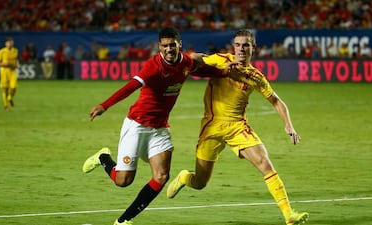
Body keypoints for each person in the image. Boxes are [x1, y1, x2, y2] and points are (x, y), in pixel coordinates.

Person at [81, 27, 225, 225]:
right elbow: (131, 86)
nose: (168, 49)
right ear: (159, 47)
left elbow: (199, 70)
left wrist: (225, 72)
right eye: (164, 46)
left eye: (172, 45)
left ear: (179, 44)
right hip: (137, 125)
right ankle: (103, 157)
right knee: (123, 181)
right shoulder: (153, 66)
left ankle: (123, 221)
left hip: (159, 128)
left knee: (161, 176)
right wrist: (104, 105)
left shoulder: (186, 61)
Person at [166, 29, 309, 225]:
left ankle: (289, 215)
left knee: (264, 163)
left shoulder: (255, 76)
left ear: (253, 47)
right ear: (234, 46)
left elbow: (277, 101)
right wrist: (198, 57)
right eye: (238, 45)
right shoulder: (220, 60)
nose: (241, 49)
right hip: (212, 127)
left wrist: (289, 125)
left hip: (237, 127)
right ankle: (184, 178)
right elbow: (193, 59)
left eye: (246, 45)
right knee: (200, 182)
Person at [0, 37, 19, 111]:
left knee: (14, 87)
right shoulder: (2, 51)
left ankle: (9, 98)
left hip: (12, 71)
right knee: (5, 89)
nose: (10, 44)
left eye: (11, 42)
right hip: (4, 71)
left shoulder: (15, 51)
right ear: (5, 43)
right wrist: (3, 64)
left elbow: (15, 60)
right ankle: (6, 105)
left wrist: (16, 65)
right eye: (9, 42)